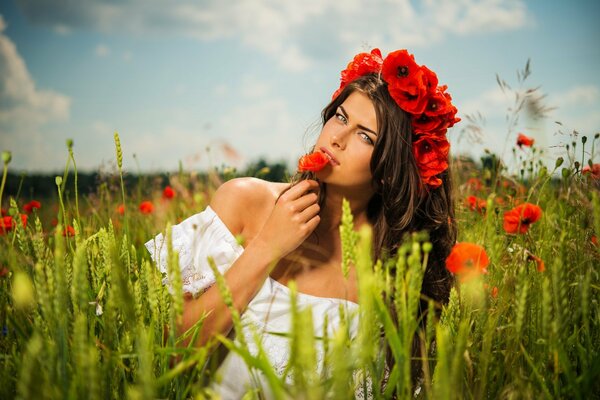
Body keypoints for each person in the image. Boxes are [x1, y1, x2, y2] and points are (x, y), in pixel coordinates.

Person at [145, 47, 459, 398]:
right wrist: (265, 248)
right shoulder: (245, 201)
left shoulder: (395, 273)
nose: (336, 137)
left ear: (390, 171)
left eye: (365, 135)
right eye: (340, 117)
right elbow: (170, 353)